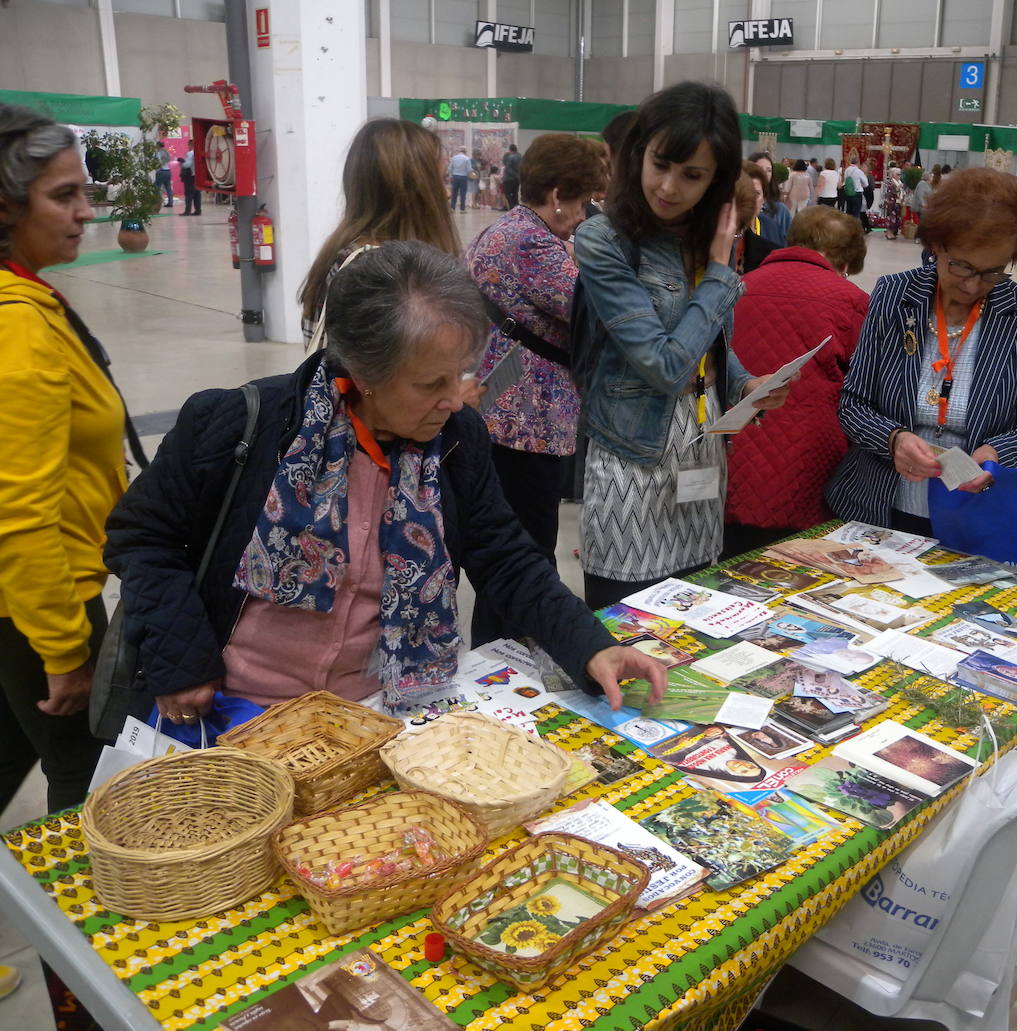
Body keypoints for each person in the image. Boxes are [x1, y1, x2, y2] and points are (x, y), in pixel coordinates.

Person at [104, 242, 667, 719]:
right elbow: (142, 537)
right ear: (367, 373)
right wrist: (180, 659)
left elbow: (506, 557)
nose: (455, 400)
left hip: (374, 713)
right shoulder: (237, 424)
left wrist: (590, 646)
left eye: (460, 375)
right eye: (430, 383)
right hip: (237, 709)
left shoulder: (455, 440)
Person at [572, 81, 790, 612]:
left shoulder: (706, 233)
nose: (669, 187)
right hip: (632, 457)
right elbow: (665, 366)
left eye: (692, 175)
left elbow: (706, 344)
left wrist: (745, 384)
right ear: (639, 151)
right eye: (660, 164)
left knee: (694, 625)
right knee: (626, 628)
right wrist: (719, 274)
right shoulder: (604, 240)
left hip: (701, 450)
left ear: (716, 179)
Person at [0, 105, 137, 812]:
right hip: (41, 603)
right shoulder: (17, 326)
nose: (86, 212)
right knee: (89, 785)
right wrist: (63, 648)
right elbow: (20, 514)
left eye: (85, 191)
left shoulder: (25, 299)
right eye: (63, 196)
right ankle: (80, 922)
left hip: (17, 601)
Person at [824, 167, 1017, 535]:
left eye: (991, 272)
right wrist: (894, 440)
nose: (971, 284)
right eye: (960, 266)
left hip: (977, 513)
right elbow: (853, 402)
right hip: (879, 507)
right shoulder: (894, 296)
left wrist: (997, 453)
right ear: (937, 245)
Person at [464, 134, 606, 642]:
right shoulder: (534, 244)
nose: (587, 212)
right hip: (526, 422)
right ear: (560, 193)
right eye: (586, 199)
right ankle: (510, 656)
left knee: (510, 546)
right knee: (526, 548)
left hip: (503, 408)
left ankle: (500, 647)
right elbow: (598, 314)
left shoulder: (505, 230)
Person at [724, 205, 870, 556]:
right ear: (846, 260)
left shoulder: (736, 287)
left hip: (732, 457)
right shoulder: (855, 302)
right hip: (810, 469)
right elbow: (865, 390)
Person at [300, 118, 463, 344]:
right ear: (414, 192)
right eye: (441, 181)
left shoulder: (344, 254)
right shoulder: (379, 276)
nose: (446, 194)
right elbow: (365, 376)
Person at [737, 162, 780, 274]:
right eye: (743, 191)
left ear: (764, 198)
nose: (749, 199)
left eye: (756, 193)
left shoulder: (772, 228)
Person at [748, 151, 791, 246]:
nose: (764, 174)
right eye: (760, 169)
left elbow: (789, 241)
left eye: (769, 170)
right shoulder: (740, 207)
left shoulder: (781, 210)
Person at [841, 156, 868, 226]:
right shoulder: (859, 171)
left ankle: (847, 229)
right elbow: (866, 184)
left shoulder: (846, 170)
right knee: (856, 213)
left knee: (849, 212)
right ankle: (855, 230)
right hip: (857, 194)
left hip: (848, 193)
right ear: (857, 162)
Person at [881, 164, 904, 241]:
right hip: (892, 204)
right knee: (891, 219)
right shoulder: (891, 183)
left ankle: (892, 233)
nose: (899, 176)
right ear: (893, 175)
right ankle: (889, 233)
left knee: (896, 220)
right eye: (898, 174)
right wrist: (898, 189)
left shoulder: (898, 182)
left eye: (900, 174)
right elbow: (890, 193)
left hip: (897, 204)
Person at [447, 146, 471, 212]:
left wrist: (451, 176)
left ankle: (452, 208)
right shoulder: (467, 159)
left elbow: (449, 168)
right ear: (465, 151)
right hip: (464, 177)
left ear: (459, 151)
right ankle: (462, 209)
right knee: (463, 193)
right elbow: (469, 170)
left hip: (455, 177)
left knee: (454, 193)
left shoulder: (454, 158)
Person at [178, 146, 201, 216]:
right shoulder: (199, 152)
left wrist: (182, 162)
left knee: (188, 194)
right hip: (198, 176)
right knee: (197, 194)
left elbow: (187, 165)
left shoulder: (190, 153)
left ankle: (187, 211)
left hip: (190, 176)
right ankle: (198, 210)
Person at [501, 143, 521, 210]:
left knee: (508, 194)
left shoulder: (509, 157)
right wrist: (518, 176)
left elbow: (508, 168)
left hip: (509, 179)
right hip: (517, 179)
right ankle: (517, 208)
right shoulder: (520, 156)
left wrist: (515, 175)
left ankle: (512, 208)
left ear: (510, 149)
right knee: (515, 194)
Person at [154, 142, 174, 207]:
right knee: (168, 188)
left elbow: (158, 161)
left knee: (157, 187)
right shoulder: (166, 152)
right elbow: (169, 160)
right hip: (168, 171)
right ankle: (170, 202)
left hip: (161, 171)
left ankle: (157, 202)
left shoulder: (159, 152)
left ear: (158, 146)